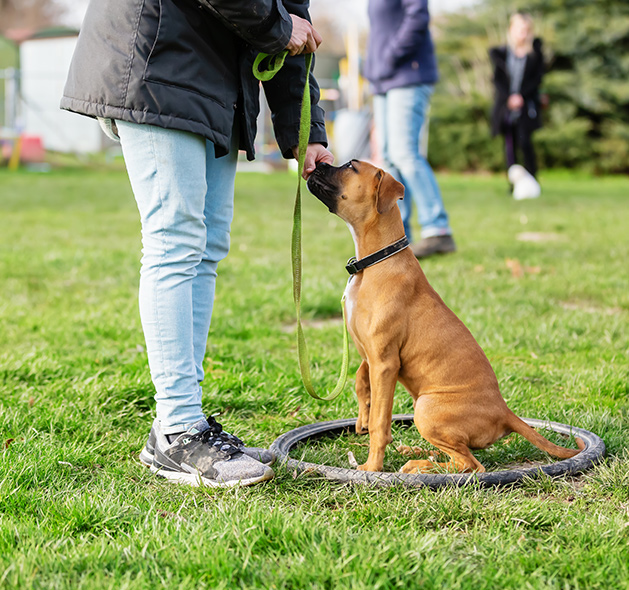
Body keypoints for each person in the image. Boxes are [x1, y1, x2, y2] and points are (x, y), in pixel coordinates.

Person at [61, 0, 333, 488]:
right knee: (174, 239)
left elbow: (294, 21)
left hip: (212, 75)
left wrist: (304, 128)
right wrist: (275, 26)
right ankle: (178, 430)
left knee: (205, 246)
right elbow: (281, 23)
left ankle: (183, 424)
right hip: (157, 56)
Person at [364, 0, 456, 259]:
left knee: (404, 153)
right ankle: (399, 235)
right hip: (383, 80)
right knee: (389, 157)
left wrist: (389, 57)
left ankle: (438, 229)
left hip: (407, 75)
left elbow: (416, 19)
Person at [490, 12, 545, 189]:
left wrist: (521, 96)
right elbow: (497, 81)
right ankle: (513, 184)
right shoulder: (501, 54)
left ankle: (532, 181)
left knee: (525, 142)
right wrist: (509, 98)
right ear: (511, 30)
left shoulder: (535, 54)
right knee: (509, 145)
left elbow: (536, 80)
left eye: (525, 30)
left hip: (526, 105)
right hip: (506, 106)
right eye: (519, 29)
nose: (522, 33)